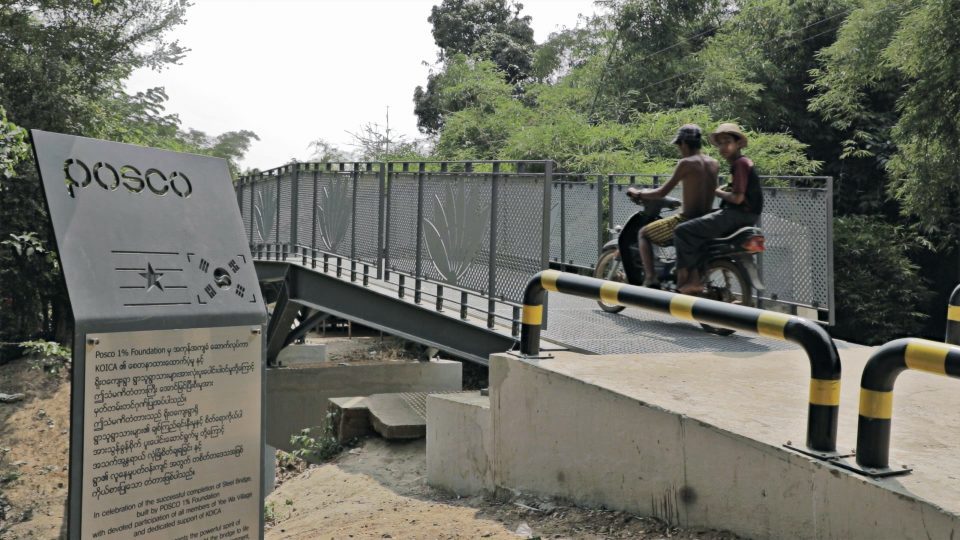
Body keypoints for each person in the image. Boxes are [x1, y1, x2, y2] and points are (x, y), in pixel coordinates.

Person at [674, 123, 763, 295]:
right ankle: (700, 273)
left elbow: (738, 198)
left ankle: (689, 280)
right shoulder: (740, 164)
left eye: (728, 141)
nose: (723, 146)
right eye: (720, 143)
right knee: (700, 226)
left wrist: (715, 191)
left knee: (682, 231)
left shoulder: (740, 164)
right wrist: (722, 190)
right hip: (745, 216)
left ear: (738, 144)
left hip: (737, 215)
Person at [626, 124, 718, 288]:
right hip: (706, 221)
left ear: (683, 143)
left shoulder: (686, 163)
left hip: (686, 220)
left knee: (643, 234)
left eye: (678, 145)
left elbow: (662, 192)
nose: (679, 149)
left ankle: (650, 278)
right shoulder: (714, 163)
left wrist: (639, 194)